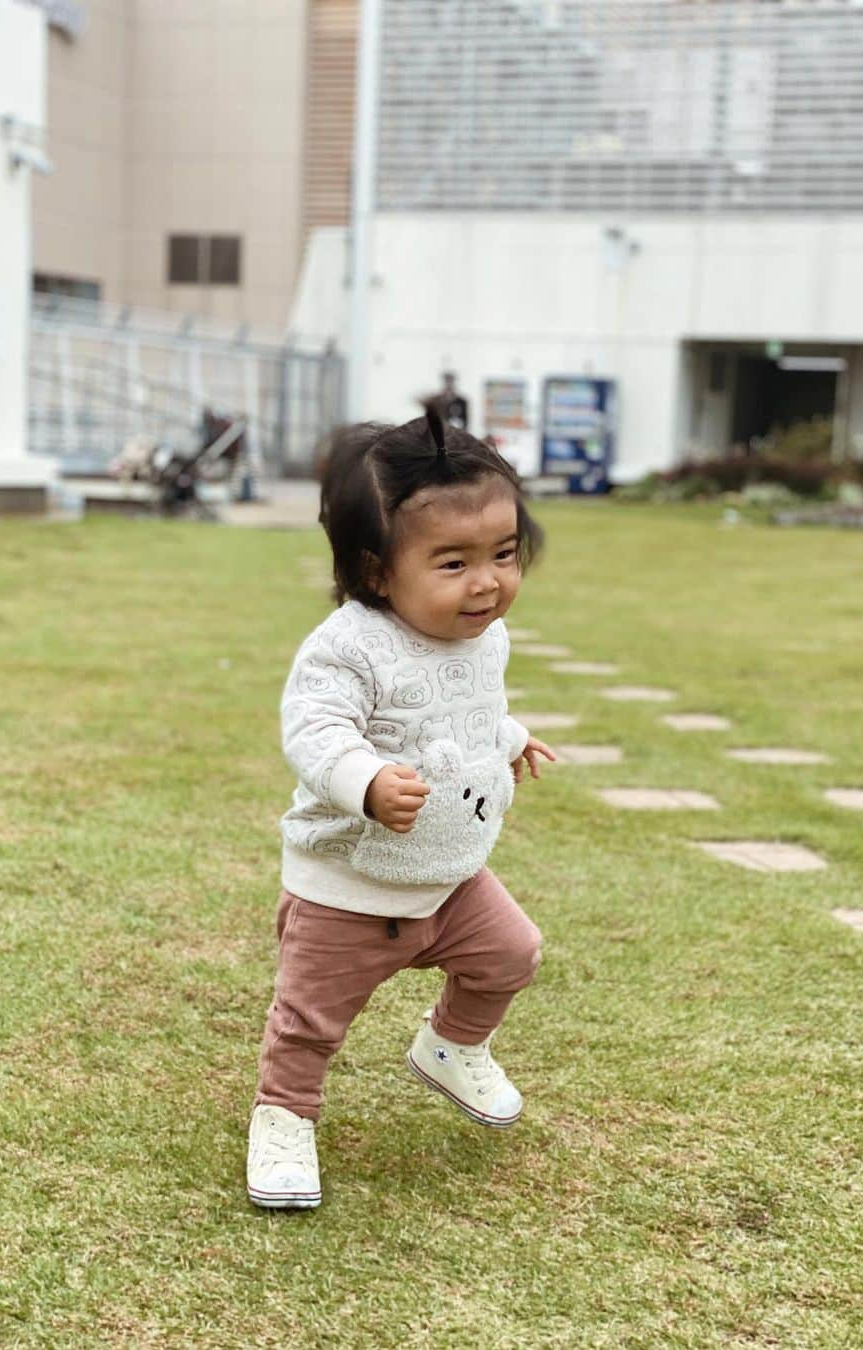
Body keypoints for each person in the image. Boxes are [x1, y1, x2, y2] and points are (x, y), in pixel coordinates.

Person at [247, 404, 555, 1210]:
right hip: (348, 886)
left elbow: (466, 711)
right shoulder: (348, 645)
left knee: (512, 955)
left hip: (451, 876)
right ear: (377, 570)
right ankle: (284, 1117)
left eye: (504, 554)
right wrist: (367, 782)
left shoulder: (483, 637)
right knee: (311, 1020)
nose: (487, 582)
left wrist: (511, 736)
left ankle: (451, 1046)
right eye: (453, 563)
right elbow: (314, 730)